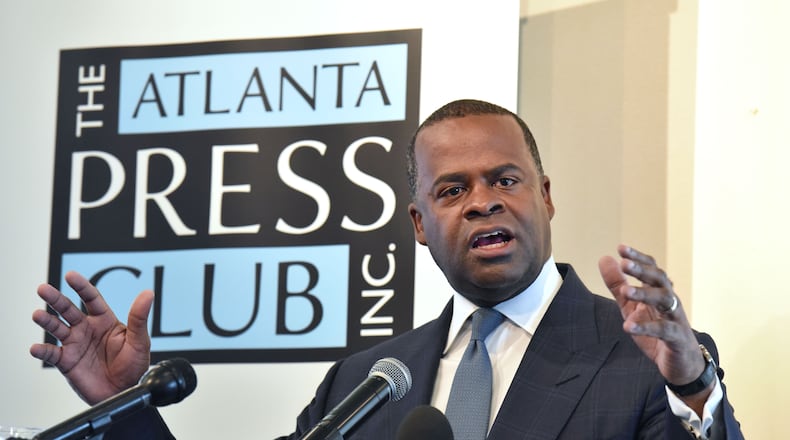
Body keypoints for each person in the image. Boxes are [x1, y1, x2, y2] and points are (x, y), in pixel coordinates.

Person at [31, 99, 743, 439]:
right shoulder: (364, 382)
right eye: (452, 190)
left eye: (505, 179)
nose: (482, 203)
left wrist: (692, 386)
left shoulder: (646, 361)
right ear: (418, 226)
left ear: (546, 196)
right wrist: (123, 407)